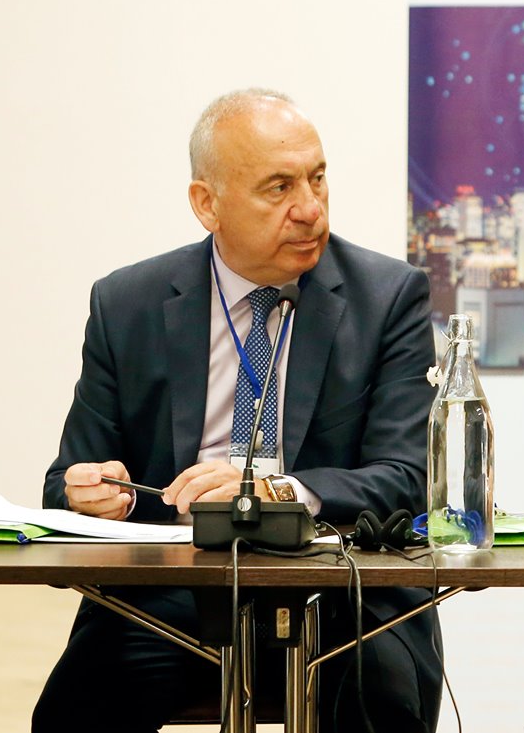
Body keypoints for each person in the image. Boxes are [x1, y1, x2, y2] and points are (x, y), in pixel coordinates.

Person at [35, 88, 443, 732]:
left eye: (317, 178)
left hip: (343, 592)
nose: (309, 208)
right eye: (279, 188)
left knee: (381, 703)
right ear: (208, 204)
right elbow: (64, 482)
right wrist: (86, 491)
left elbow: (408, 477)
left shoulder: (388, 298)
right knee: (75, 711)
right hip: (171, 595)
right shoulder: (127, 304)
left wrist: (274, 491)